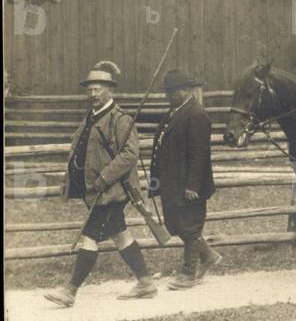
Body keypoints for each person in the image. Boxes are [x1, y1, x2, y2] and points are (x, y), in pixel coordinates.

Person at [44, 61, 157, 307]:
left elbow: (129, 154)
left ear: (110, 90)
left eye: (98, 89)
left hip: (112, 191)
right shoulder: (90, 117)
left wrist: (105, 177)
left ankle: (70, 291)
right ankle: (146, 282)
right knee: (120, 235)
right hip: (95, 191)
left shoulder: (121, 119)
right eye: (90, 89)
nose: (93, 94)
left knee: (89, 237)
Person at [148, 68, 219, 290]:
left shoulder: (196, 115)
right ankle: (208, 256)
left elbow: (200, 154)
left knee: (190, 227)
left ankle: (189, 273)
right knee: (175, 225)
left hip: (188, 184)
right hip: (172, 181)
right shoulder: (174, 112)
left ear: (187, 90)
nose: (168, 95)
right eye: (167, 91)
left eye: (172, 91)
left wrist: (192, 185)